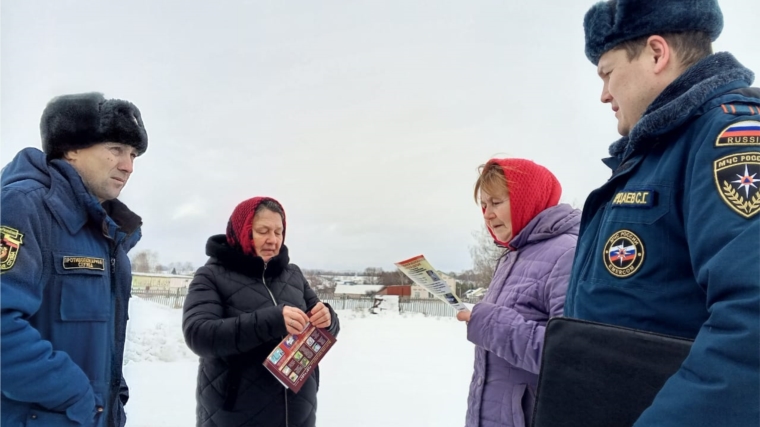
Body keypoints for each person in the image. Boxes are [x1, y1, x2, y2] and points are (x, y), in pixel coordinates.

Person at [563, 0, 760, 425]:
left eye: (607, 72)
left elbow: (752, 321)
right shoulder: (655, 154)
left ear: (656, 53)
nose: (603, 94)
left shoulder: (728, 138)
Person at [1, 92, 148, 427]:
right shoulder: (21, 208)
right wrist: (78, 395)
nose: (128, 166)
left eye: (133, 154)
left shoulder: (109, 235)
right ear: (71, 148)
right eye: (116, 149)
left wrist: (113, 400)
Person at [182, 196, 340, 427]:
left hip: (299, 412)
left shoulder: (292, 275)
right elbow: (199, 334)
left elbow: (322, 327)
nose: (272, 240)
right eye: (263, 231)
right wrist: (273, 320)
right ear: (241, 231)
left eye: (278, 232)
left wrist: (328, 318)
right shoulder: (211, 276)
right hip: (236, 414)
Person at [457, 158, 580, 427]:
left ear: (528, 198)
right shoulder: (513, 256)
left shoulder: (568, 254)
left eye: (496, 203)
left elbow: (571, 358)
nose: (487, 214)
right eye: (484, 205)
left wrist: (490, 324)